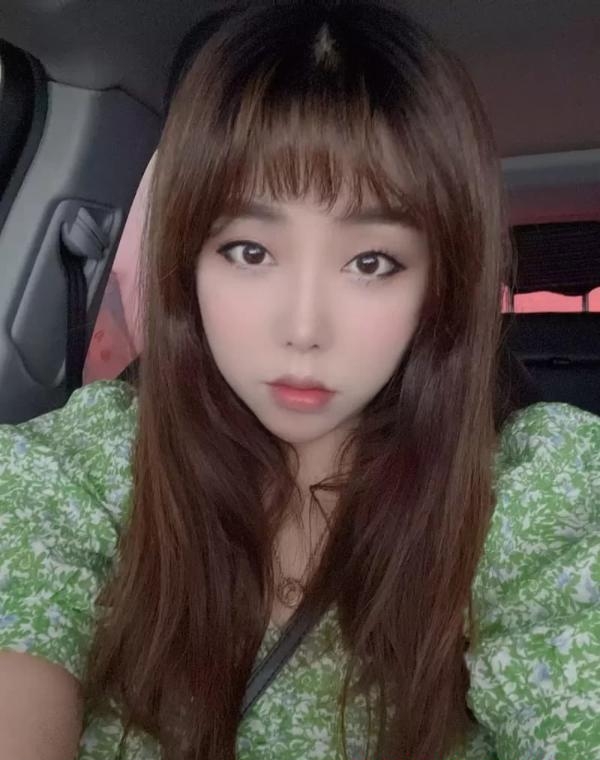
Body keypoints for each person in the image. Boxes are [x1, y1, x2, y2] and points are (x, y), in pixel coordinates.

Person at [0, 2, 598, 759]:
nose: (304, 328)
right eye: (249, 251)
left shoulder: (537, 494)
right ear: (188, 261)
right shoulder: (85, 469)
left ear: (439, 285)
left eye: (372, 262)